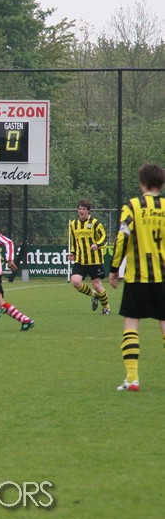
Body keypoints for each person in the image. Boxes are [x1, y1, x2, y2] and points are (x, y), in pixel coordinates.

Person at [108, 162, 165, 392]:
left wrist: (114, 268)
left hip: (137, 276)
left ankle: (132, 379)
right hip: (163, 276)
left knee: (131, 322)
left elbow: (122, 238)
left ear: (142, 183)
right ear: (161, 184)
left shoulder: (132, 206)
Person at [67, 199, 111, 315]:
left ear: (88, 211)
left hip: (94, 260)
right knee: (75, 281)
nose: (81, 211)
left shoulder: (95, 223)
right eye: (79, 209)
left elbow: (104, 237)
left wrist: (97, 245)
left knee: (96, 284)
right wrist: (73, 253)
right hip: (80, 260)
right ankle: (94, 295)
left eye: (83, 209)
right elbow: (73, 242)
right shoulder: (73, 224)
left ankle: (106, 307)